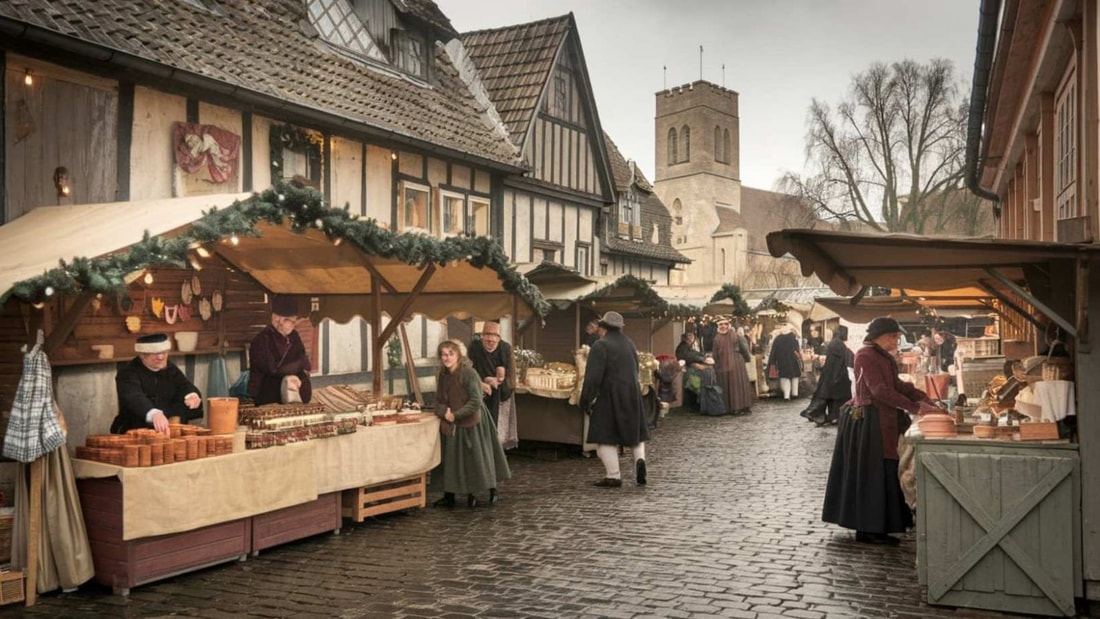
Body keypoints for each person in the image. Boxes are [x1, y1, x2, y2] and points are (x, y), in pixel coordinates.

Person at [821, 317, 940, 545]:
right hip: (869, 422)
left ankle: (880, 525)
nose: (897, 340)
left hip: (880, 420)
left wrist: (921, 397)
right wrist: (914, 406)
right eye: (894, 336)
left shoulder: (881, 356)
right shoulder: (866, 355)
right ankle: (869, 529)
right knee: (872, 475)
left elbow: (895, 385)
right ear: (882, 336)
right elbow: (879, 390)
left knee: (883, 472)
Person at [432, 340, 511, 508]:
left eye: (450, 354)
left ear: (458, 356)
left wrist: (456, 415)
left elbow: (475, 401)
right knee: (451, 458)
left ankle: (487, 490)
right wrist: (444, 412)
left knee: (477, 456)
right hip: (452, 421)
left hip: (473, 420)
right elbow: (438, 400)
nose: (446, 358)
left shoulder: (469, 373)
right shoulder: (443, 375)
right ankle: (450, 494)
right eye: (444, 355)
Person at [578, 311, 650, 487]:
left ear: (602, 329)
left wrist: (585, 399)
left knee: (605, 435)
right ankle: (639, 460)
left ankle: (613, 475)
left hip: (608, 395)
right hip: (632, 393)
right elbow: (636, 369)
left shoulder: (601, 345)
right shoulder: (629, 343)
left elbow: (593, 377)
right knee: (635, 433)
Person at [112, 333, 202, 434]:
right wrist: (154, 414)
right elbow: (134, 397)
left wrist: (192, 395)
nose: (161, 357)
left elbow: (184, 385)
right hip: (134, 429)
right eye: (155, 353)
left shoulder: (170, 368)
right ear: (142, 355)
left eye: (164, 352)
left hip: (168, 430)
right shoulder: (127, 372)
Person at [248, 295, 313, 406]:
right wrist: (298, 364)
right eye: (290, 321)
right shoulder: (261, 340)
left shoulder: (294, 336)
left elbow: (306, 363)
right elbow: (272, 369)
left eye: (294, 321)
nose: (293, 325)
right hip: (268, 396)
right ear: (277, 320)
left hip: (295, 396)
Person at [467, 321, 514, 427]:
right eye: (487, 335)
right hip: (478, 393)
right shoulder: (474, 347)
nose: (491, 340)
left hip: (500, 395)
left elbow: (511, 374)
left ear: (499, 338)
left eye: (495, 336)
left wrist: (499, 381)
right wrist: (481, 382)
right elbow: (467, 371)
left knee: (498, 428)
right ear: (482, 336)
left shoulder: (505, 348)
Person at [805, 325, 854, 426]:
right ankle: (834, 417)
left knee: (833, 397)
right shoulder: (838, 344)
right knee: (838, 397)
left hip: (831, 374)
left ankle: (833, 416)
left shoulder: (835, 343)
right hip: (837, 375)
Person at [711, 317, 754, 415]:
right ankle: (736, 407)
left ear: (728, 325)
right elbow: (715, 354)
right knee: (732, 385)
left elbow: (743, 348)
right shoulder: (718, 338)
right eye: (721, 325)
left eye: (725, 324)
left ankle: (740, 407)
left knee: (736, 385)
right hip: (728, 364)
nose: (723, 327)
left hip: (734, 363)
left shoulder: (732, 335)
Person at [766, 325, 802, 400]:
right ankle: (795, 394)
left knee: (785, 378)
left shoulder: (778, 339)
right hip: (793, 360)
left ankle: (786, 395)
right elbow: (797, 350)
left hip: (782, 361)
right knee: (795, 377)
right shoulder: (794, 337)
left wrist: (772, 362)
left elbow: (773, 352)